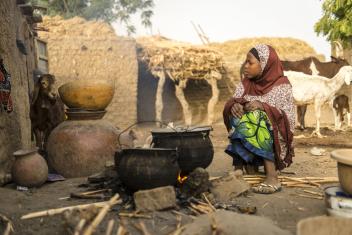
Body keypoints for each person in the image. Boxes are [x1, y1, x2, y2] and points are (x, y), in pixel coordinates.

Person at [223, 44, 295, 194]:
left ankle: (272, 177)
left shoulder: (282, 85)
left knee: (257, 116)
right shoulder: (245, 84)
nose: (246, 66)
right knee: (236, 114)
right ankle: (240, 169)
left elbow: (287, 117)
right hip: (250, 133)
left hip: (276, 137)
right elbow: (234, 100)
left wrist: (263, 106)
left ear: (265, 64)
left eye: (250, 62)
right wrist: (235, 105)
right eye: (245, 62)